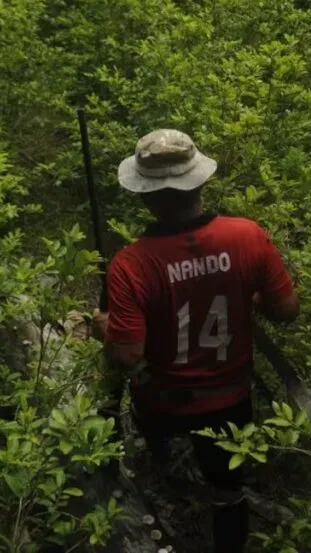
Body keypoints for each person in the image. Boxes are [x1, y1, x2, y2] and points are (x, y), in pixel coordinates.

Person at [91, 128, 299, 553]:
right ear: (200, 181)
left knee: (161, 470)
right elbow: (286, 311)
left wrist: (103, 328)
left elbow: (127, 355)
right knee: (228, 489)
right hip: (231, 400)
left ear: (144, 195)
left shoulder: (130, 265)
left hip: (162, 405)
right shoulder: (248, 236)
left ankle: (161, 488)